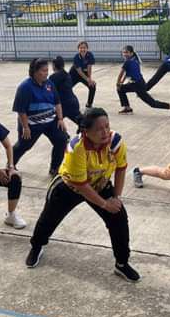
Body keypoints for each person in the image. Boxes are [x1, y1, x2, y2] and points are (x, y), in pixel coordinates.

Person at [25, 108, 140, 282]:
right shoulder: (76, 148)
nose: (105, 132)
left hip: (100, 184)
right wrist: (105, 204)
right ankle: (37, 246)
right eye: (99, 129)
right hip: (70, 187)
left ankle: (122, 263)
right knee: (48, 219)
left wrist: (115, 198)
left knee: (119, 218)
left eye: (107, 126)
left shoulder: (115, 141)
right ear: (86, 131)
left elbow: (121, 169)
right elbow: (82, 185)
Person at [12, 58, 68, 177]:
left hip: (50, 122)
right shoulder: (25, 87)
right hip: (32, 124)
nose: (47, 73)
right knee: (24, 145)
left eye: (47, 70)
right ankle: (10, 165)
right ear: (35, 71)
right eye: (43, 70)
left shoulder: (49, 84)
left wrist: (60, 119)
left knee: (62, 139)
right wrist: (25, 127)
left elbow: (57, 102)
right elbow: (21, 110)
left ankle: (54, 168)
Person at [116, 45, 170, 118]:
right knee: (121, 89)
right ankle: (127, 108)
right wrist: (121, 82)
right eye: (123, 52)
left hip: (138, 85)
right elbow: (127, 73)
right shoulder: (134, 59)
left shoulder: (127, 62)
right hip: (137, 83)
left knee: (153, 104)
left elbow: (121, 74)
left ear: (131, 53)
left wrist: (118, 83)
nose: (125, 54)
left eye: (126, 52)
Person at [49, 56, 81, 128]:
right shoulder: (68, 75)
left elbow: (49, 93)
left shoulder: (53, 77)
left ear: (54, 65)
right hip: (73, 103)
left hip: (62, 106)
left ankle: (63, 135)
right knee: (83, 124)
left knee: (53, 126)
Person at [70, 41, 96, 109]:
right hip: (74, 74)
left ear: (87, 48)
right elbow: (79, 72)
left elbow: (89, 68)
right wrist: (87, 79)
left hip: (84, 73)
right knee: (67, 88)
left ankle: (89, 105)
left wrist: (89, 79)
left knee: (92, 86)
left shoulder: (90, 55)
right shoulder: (76, 57)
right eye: (81, 48)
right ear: (78, 49)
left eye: (84, 48)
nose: (83, 49)